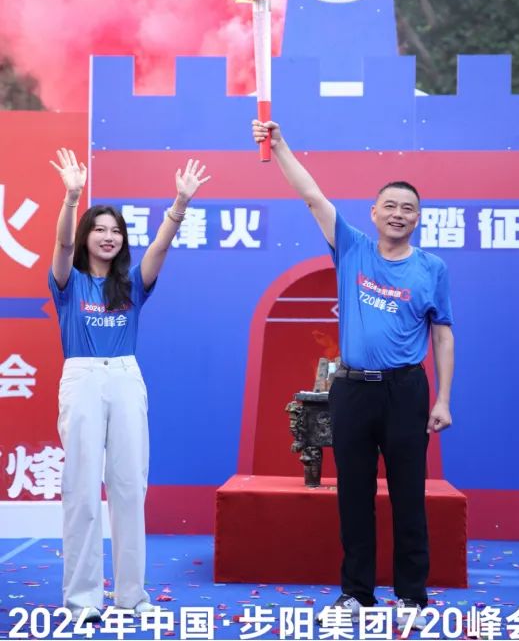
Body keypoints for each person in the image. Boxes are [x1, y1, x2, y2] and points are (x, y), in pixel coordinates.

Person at [252, 120, 454, 630]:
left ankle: (412, 597)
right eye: (390, 206)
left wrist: (443, 399)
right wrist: (280, 146)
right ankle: (357, 594)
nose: (399, 214)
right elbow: (312, 195)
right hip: (352, 389)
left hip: (406, 390)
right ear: (374, 212)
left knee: (408, 495)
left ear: (418, 218)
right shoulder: (353, 248)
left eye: (408, 208)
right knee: (354, 494)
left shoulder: (431, 268)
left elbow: (443, 334)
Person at [48, 148, 210, 622]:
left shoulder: (133, 285)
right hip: (82, 377)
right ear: (86, 236)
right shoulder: (69, 282)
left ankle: (130, 595)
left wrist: (179, 204)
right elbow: (61, 246)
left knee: (128, 487)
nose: (108, 236)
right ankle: (82, 599)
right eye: (99, 229)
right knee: (81, 489)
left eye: (115, 231)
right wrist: (72, 197)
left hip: (124, 376)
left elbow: (159, 248)